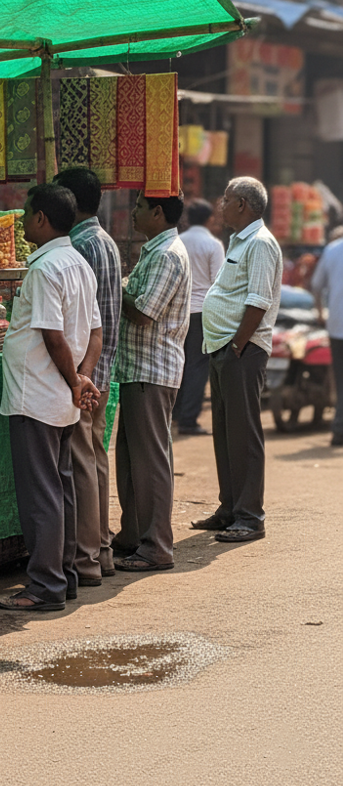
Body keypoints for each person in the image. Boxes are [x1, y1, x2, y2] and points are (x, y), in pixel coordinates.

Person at [0, 184, 102, 612]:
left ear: (41, 218)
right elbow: (94, 331)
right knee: (61, 488)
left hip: (38, 395)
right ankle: (65, 576)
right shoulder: (77, 262)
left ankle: (45, 586)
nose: (22, 220)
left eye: (26, 213)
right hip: (58, 395)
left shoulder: (45, 269)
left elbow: (52, 335)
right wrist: (82, 377)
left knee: (42, 493)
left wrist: (76, 380)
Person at [195, 177, 283, 542]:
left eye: (227, 199)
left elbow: (258, 301)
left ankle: (250, 516)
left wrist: (237, 345)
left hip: (240, 351)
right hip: (224, 347)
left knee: (243, 433)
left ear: (243, 205)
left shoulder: (260, 244)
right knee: (226, 431)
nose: (221, 204)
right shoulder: (239, 241)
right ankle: (229, 508)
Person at [112, 191, 191, 572]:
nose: (133, 214)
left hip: (151, 370)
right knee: (131, 459)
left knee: (150, 461)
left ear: (157, 213)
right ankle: (134, 534)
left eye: (140, 208)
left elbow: (144, 313)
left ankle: (156, 544)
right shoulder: (156, 251)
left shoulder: (166, 255)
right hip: (138, 369)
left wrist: (114, 290)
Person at [53, 167, 122, 585]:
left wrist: (81, 376)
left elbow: (83, 322)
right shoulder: (104, 241)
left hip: (86, 372)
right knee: (93, 458)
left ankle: (86, 559)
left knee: (83, 461)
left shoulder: (82, 247)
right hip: (100, 368)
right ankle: (102, 550)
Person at [172, 199, 225, 435]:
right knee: (197, 366)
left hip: (178, 311)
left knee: (179, 362)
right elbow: (218, 284)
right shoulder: (213, 245)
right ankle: (188, 420)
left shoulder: (178, 241)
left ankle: (174, 413)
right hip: (202, 311)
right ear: (209, 219)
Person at [310, 228, 343, 446]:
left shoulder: (332, 250)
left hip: (337, 324)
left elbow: (316, 285)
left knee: (340, 381)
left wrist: (321, 311)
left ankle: (339, 430)